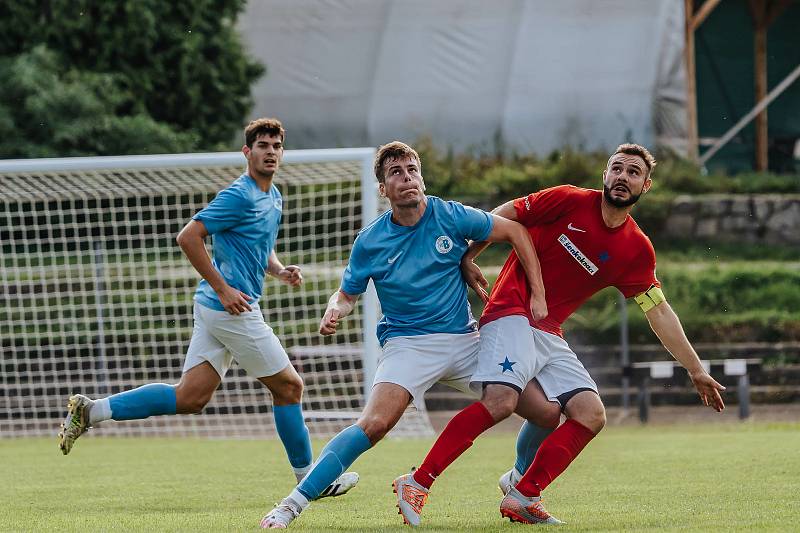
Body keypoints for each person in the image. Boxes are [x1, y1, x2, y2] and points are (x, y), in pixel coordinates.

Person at [393, 143, 727, 526]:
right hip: (511, 311)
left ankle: (524, 494)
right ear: (604, 176)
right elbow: (503, 215)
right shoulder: (567, 199)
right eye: (616, 169)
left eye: (633, 172)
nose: (623, 177)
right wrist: (471, 255)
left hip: (549, 331)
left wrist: (695, 369)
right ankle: (418, 482)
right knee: (501, 400)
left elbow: (659, 311)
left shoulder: (636, 249)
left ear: (645, 186)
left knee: (590, 414)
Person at [58, 118, 357, 498]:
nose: (270, 152)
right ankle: (310, 480)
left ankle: (92, 411)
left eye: (276, 146)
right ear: (247, 152)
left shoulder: (273, 196)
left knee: (191, 397)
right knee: (289, 386)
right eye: (262, 145)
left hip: (215, 307)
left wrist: (279, 270)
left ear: (282, 152)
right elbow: (188, 236)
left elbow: (259, 245)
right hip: (230, 308)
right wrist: (225, 288)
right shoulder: (239, 195)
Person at [259, 141, 548, 528]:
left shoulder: (449, 215)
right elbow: (346, 295)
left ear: (422, 178)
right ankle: (291, 505)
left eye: (412, 170)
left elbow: (514, 229)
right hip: (408, 344)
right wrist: (334, 309)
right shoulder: (371, 240)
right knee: (374, 424)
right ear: (383, 189)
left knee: (545, 411)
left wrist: (475, 260)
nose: (407, 178)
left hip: (465, 340)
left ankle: (517, 481)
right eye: (396, 173)